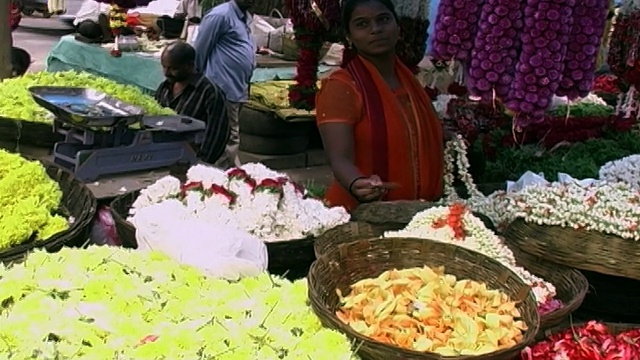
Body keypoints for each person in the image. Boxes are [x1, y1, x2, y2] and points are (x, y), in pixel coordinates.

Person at [315, 0, 445, 211]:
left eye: (383, 19)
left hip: (419, 215)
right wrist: (357, 183)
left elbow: (411, 132)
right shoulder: (341, 86)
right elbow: (338, 158)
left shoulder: (409, 82)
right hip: (362, 216)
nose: (375, 29)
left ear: (398, 27)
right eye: (362, 24)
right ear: (348, 37)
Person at [194, 0, 256, 169]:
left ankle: (229, 177)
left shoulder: (245, 18)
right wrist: (200, 83)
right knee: (227, 138)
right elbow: (199, 52)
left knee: (229, 137)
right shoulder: (220, 16)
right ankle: (219, 181)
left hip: (238, 88)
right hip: (222, 89)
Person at [155, 42, 230, 164]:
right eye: (164, 67)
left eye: (173, 68)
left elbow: (218, 133)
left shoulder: (209, 92)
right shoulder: (164, 88)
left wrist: (201, 163)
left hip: (193, 161)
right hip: (164, 157)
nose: (167, 73)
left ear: (189, 66)